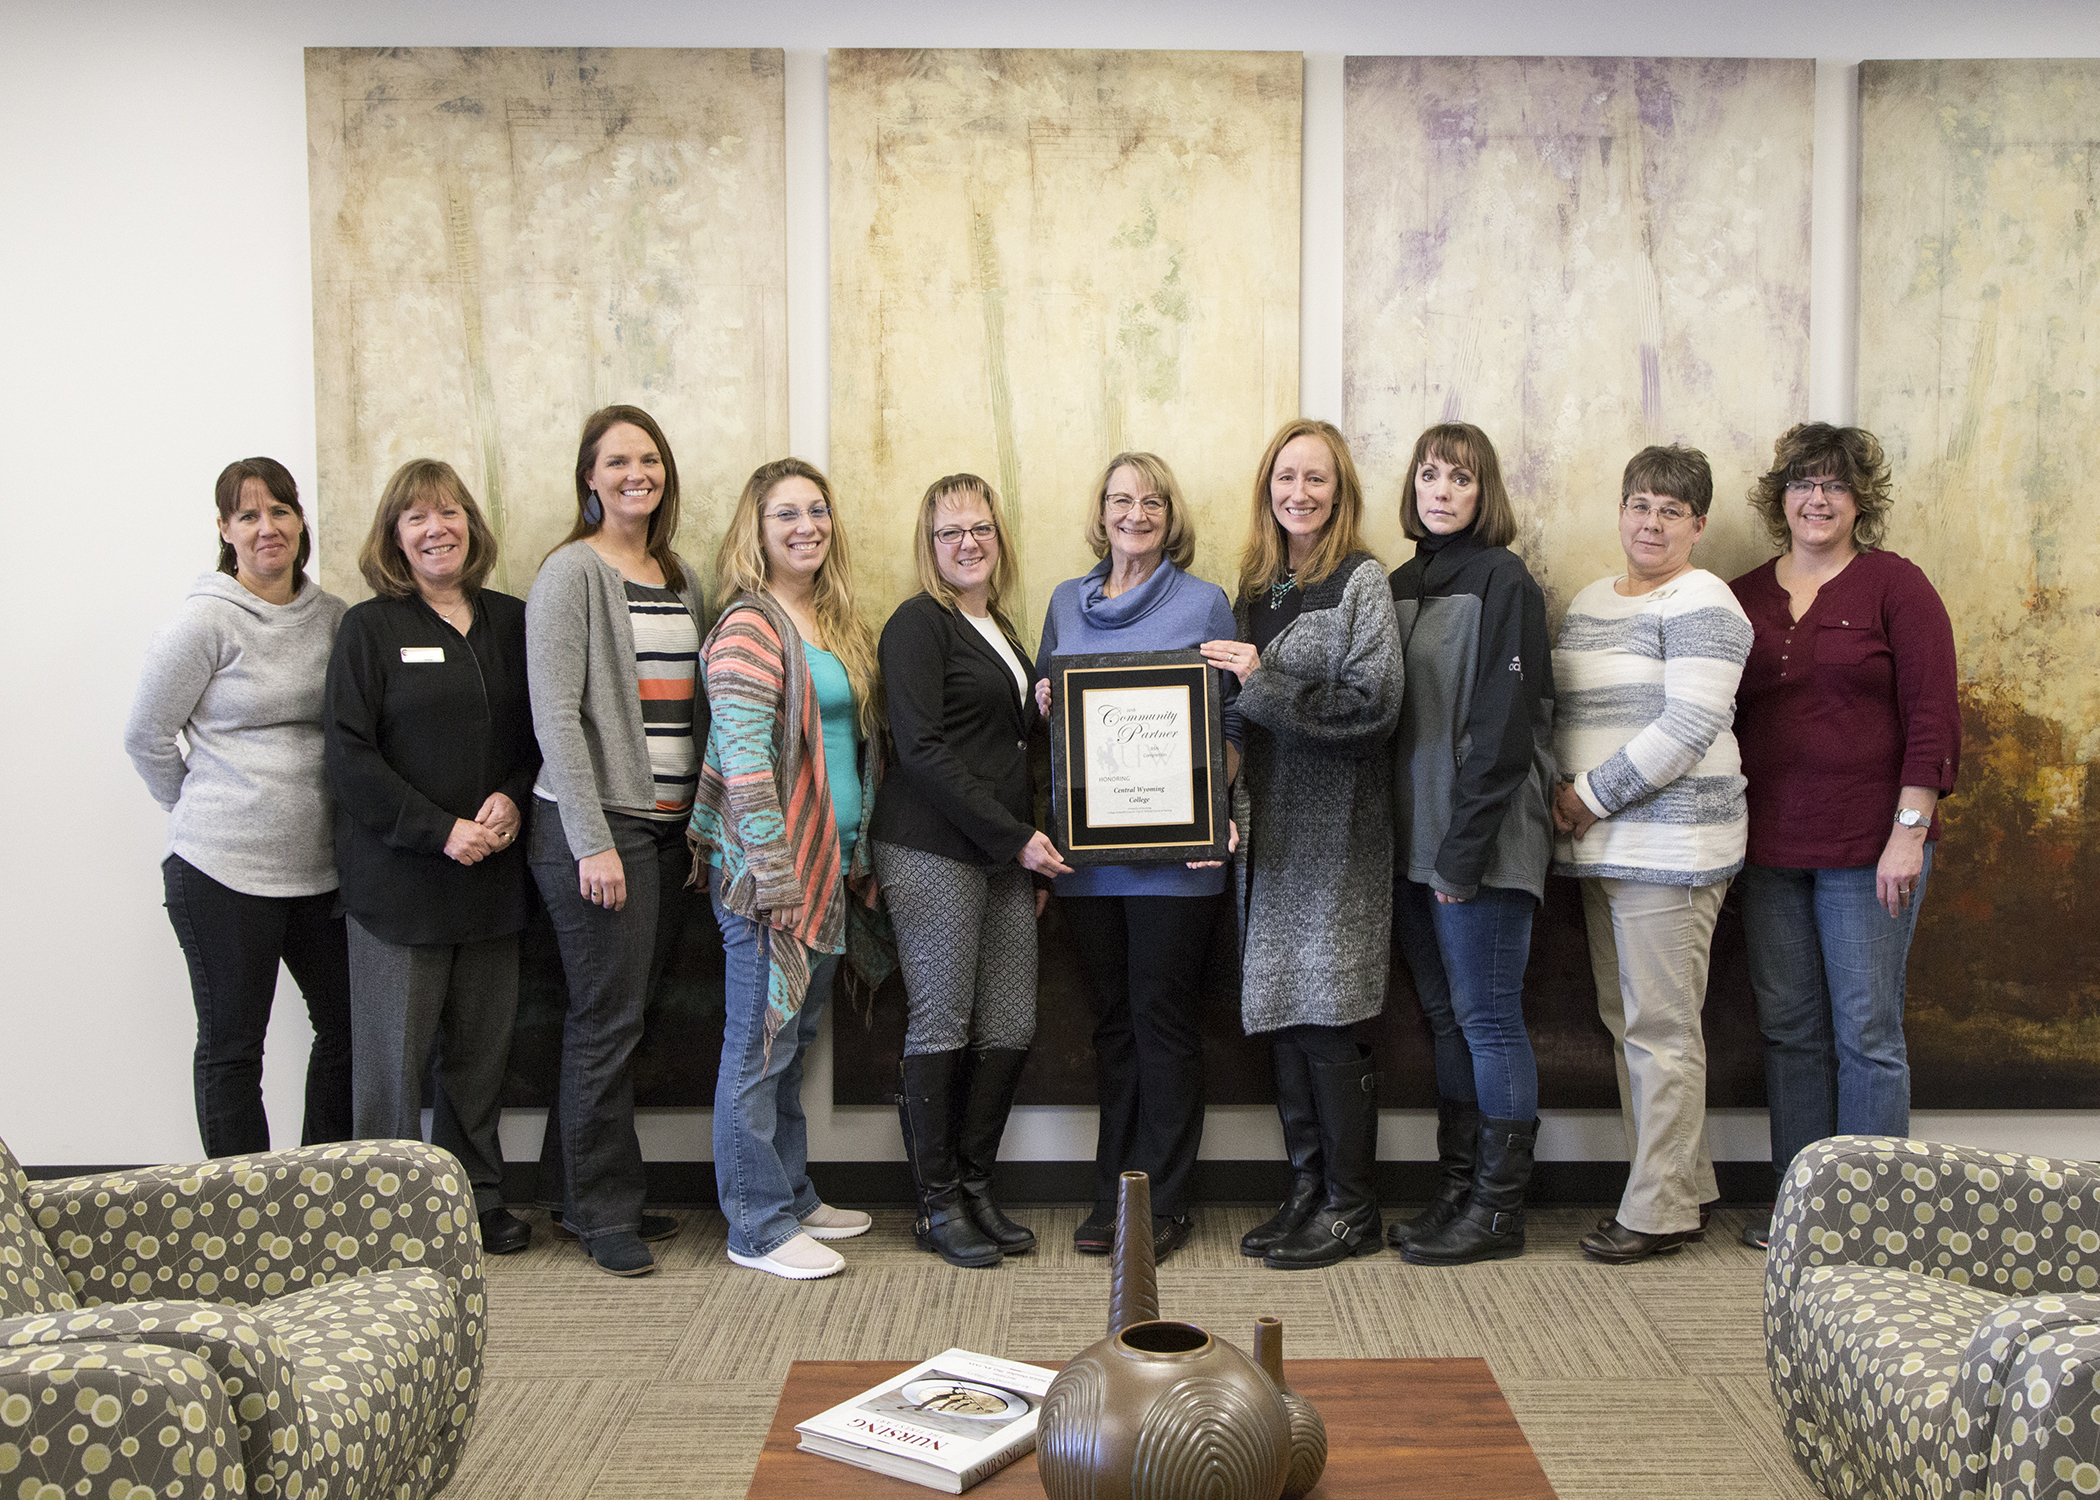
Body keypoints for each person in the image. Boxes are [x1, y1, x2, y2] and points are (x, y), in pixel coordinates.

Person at [1730, 423, 1959, 1252]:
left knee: (1867, 1032)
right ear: (1780, 497)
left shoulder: (1895, 585)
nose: (1816, 499)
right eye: (1802, 483)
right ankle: (1804, 1212)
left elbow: (1934, 712)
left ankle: (1873, 1220)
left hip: (1872, 848)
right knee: (1792, 1033)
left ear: (1860, 501)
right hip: (1767, 851)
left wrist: (1911, 829)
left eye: (1833, 486)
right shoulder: (1746, 593)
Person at [324, 459, 541, 1256]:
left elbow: (539, 736)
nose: (436, 528)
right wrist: (438, 828)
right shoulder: (369, 629)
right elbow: (349, 757)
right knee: (391, 1072)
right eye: (416, 518)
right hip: (400, 888)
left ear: (471, 527)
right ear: (394, 537)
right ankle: (380, 1221)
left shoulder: (511, 621)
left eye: (448, 513)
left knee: (480, 1064)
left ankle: (477, 1202)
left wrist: (514, 797)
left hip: (491, 884)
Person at [1199, 419, 1402, 1271]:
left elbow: (1375, 707)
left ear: (1340, 490)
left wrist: (1261, 677)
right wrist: (1219, 801)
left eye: (1316, 479)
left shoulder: (1363, 581)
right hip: (1268, 835)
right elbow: (1238, 717)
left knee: (1330, 1017)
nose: (1300, 493)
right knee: (1284, 1016)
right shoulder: (1254, 586)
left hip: (1339, 834)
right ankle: (1307, 1193)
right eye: (1287, 477)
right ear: (1267, 487)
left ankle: (1354, 1209)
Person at [1035, 451, 1240, 1264]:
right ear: (1102, 511)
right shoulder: (1064, 602)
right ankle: (1110, 1196)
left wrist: (1208, 817)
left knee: (1162, 1025)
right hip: (1090, 863)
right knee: (1114, 1028)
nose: (1137, 514)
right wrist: (1047, 703)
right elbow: (1050, 726)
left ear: (1170, 514)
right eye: (1122, 500)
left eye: (1153, 501)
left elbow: (1229, 729)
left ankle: (1163, 1204)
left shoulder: (1205, 602)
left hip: (1179, 865)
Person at [1549, 446, 1752, 1264]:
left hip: (1674, 846)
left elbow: (1687, 728)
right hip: (1605, 848)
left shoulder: (1708, 600)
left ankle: (1659, 1208)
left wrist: (1586, 795)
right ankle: (1685, 1184)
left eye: (1672, 510)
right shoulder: (1593, 599)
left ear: (1698, 525)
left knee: (1661, 1030)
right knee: (1629, 1022)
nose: (1652, 521)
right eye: (1641, 503)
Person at [123, 457, 353, 1157]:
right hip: (220, 872)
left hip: (320, 874)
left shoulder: (334, 618)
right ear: (225, 530)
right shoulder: (204, 623)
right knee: (233, 1051)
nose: (266, 528)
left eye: (279, 511)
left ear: (300, 520)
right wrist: (207, 803)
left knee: (348, 1028)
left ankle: (318, 1188)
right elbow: (145, 735)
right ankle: (245, 1215)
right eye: (247, 515)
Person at [690, 458, 885, 1282]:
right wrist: (774, 876)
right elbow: (744, 767)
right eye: (786, 515)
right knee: (756, 1049)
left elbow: (851, 752)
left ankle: (794, 1194)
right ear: (756, 529)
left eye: (818, 511)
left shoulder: (831, 623)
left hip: (827, 870)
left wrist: (855, 852)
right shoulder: (749, 626)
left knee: (793, 1043)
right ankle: (758, 1225)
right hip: (772, 878)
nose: (807, 526)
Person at [872, 474, 1071, 1268]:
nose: (967, 543)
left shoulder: (1004, 632)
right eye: (950, 531)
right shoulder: (918, 624)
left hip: (1003, 852)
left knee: (1011, 1023)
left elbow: (1005, 746)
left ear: (999, 537)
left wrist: (1041, 705)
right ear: (930, 544)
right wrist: (1018, 838)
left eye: (981, 528)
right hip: (931, 847)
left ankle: (976, 1185)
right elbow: (920, 750)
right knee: (943, 1021)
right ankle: (936, 1203)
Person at [526, 405, 706, 1276]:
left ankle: (579, 1188)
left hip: (666, 833)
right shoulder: (571, 572)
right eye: (617, 462)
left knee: (620, 1020)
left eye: (649, 460)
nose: (637, 474)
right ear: (589, 479)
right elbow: (556, 712)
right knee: (606, 1020)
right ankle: (601, 1211)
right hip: (597, 831)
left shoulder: (678, 574)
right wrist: (591, 839)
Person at [1385, 421, 1556, 1267]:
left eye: (1461, 478)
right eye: (1430, 476)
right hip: (1415, 841)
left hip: (1480, 842)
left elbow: (1504, 728)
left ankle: (1497, 1209)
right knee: (1447, 1020)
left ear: (1484, 493)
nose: (1443, 491)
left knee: (1489, 1022)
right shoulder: (1396, 583)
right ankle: (1457, 1187)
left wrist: (1460, 853)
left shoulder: (1505, 580)